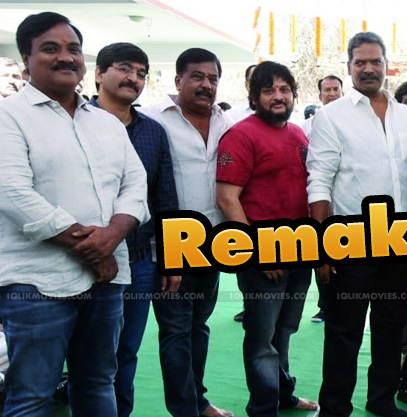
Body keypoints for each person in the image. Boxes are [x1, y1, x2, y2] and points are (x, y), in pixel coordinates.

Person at [0, 12, 149, 417]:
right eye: (50, 49)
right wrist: (96, 251)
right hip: (36, 282)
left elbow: (136, 185)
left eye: (73, 49)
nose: (65, 57)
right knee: (33, 395)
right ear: (27, 58)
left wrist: (112, 236)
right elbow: (13, 193)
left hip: (108, 280)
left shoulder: (106, 123)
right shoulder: (9, 116)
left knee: (98, 381)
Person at [307, 32, 407, 417]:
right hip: (350, 240)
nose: (368, 69)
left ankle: (382, 400)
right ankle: (335, 408)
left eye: (375, 62)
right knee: (344, 331)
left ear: (387, 65)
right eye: (360, 63)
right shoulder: (331, 116)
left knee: (392, 326)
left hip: (403, 240)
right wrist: (321, 247)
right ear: (349, 67)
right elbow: (319, 181)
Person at [216, 60, 318, 417]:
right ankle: (263, 408)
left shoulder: (298, 134)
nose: (278, 96)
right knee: (262, 338)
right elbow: (227, 198)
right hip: (263, 255)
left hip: (300, 250)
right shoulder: (240, 135)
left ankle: (283, 395)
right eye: (268, 90)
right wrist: (257, 253)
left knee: (284, 331)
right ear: (254, 97)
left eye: (284, 89)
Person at [140, 48, 235, 417]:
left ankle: (199, 400)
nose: (205, 84)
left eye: (212, 78)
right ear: (178, 80)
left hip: (213, 246)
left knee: (199, 326)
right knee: (176, 331)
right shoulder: (152, 120)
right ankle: (185, 411)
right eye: (197, 76)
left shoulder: (227, 122)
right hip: (171, 246)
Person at [89, 41, 181, 417]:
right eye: (125, 69)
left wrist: (173, 258)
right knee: (90, 355)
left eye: (141, 73)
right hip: (84, 259)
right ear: (99, 73)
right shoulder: (76, 123)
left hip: (140, 261)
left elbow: (165, 199)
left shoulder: (153, 132)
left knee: (126, 351)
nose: (134, 78)